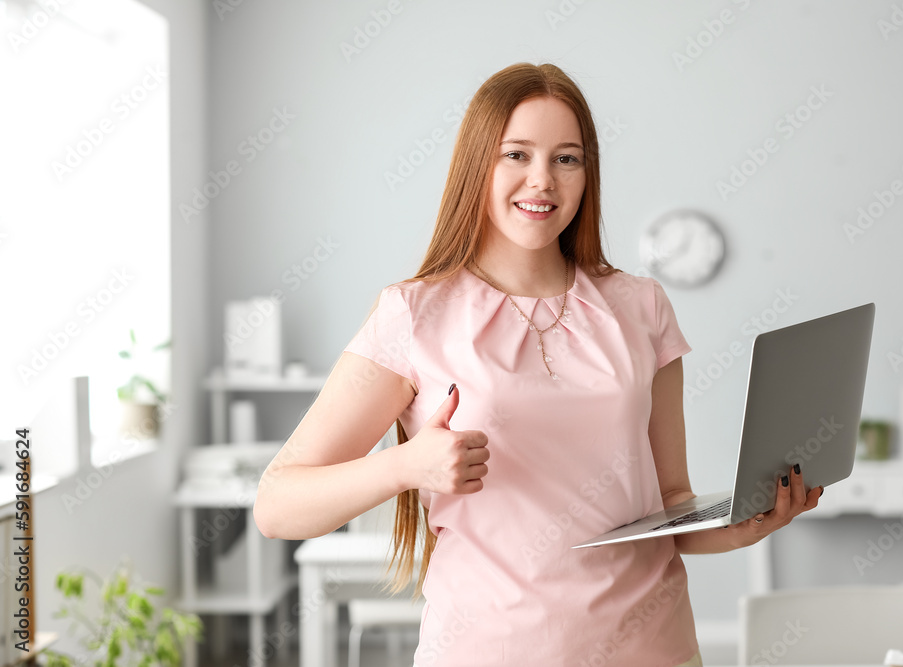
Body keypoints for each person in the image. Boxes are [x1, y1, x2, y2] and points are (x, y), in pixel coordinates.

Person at [253, 62, 822, 666]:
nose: (542, 180)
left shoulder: (640, 306)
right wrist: (404, 466)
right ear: (478, 164)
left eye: (566, 158)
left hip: (654, 650)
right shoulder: (414, 313)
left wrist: (746, 524)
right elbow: (277, 505)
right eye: (516, 155)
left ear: (587, 173)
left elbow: (670, 508)